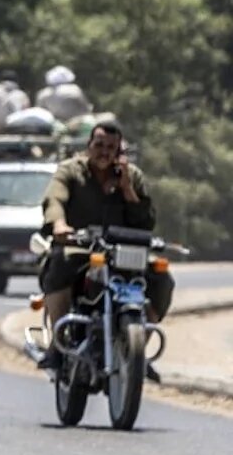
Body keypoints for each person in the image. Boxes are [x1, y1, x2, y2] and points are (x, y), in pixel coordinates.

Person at [36, 121, 174, 371]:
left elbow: (146, 221)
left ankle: (138, 352)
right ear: (89, 146)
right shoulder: (70, 171)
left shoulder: (132, 176)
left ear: (119, 151)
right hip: (81, 247)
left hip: (123, 250)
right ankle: (58, 345)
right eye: (99, 145)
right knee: (60, 264)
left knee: (162, 279)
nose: (104, 152)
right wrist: (59, 225)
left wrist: (126, 189)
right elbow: (55, 198)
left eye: (111, 147)